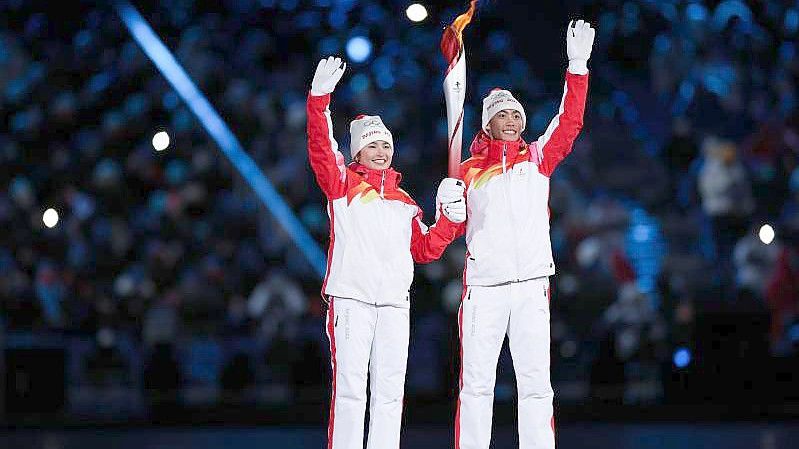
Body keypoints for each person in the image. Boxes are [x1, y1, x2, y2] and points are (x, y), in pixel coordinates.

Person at [306, 56, 466, 449]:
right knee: (350, 393)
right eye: (372, 145)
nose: (380, 151)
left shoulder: (405, 201)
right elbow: (322, 150)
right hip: (353, 301)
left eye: (385, 145)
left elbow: (426, 249)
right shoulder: (342, 185)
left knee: (390, 394)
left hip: (395, 304)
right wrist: (318, 100)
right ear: (358, 152)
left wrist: (451, 218)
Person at [449, 20, 595, 449]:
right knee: (476, 386)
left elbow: (570, 120)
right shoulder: (467, 172)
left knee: (536, 385)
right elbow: (451, 229)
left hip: (531, 285)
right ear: (487, 125)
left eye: (516, 114)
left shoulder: (538, 158)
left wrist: (578, 67)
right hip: (483, 288)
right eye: (502, 116)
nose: (511, 121)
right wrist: (448, 207)